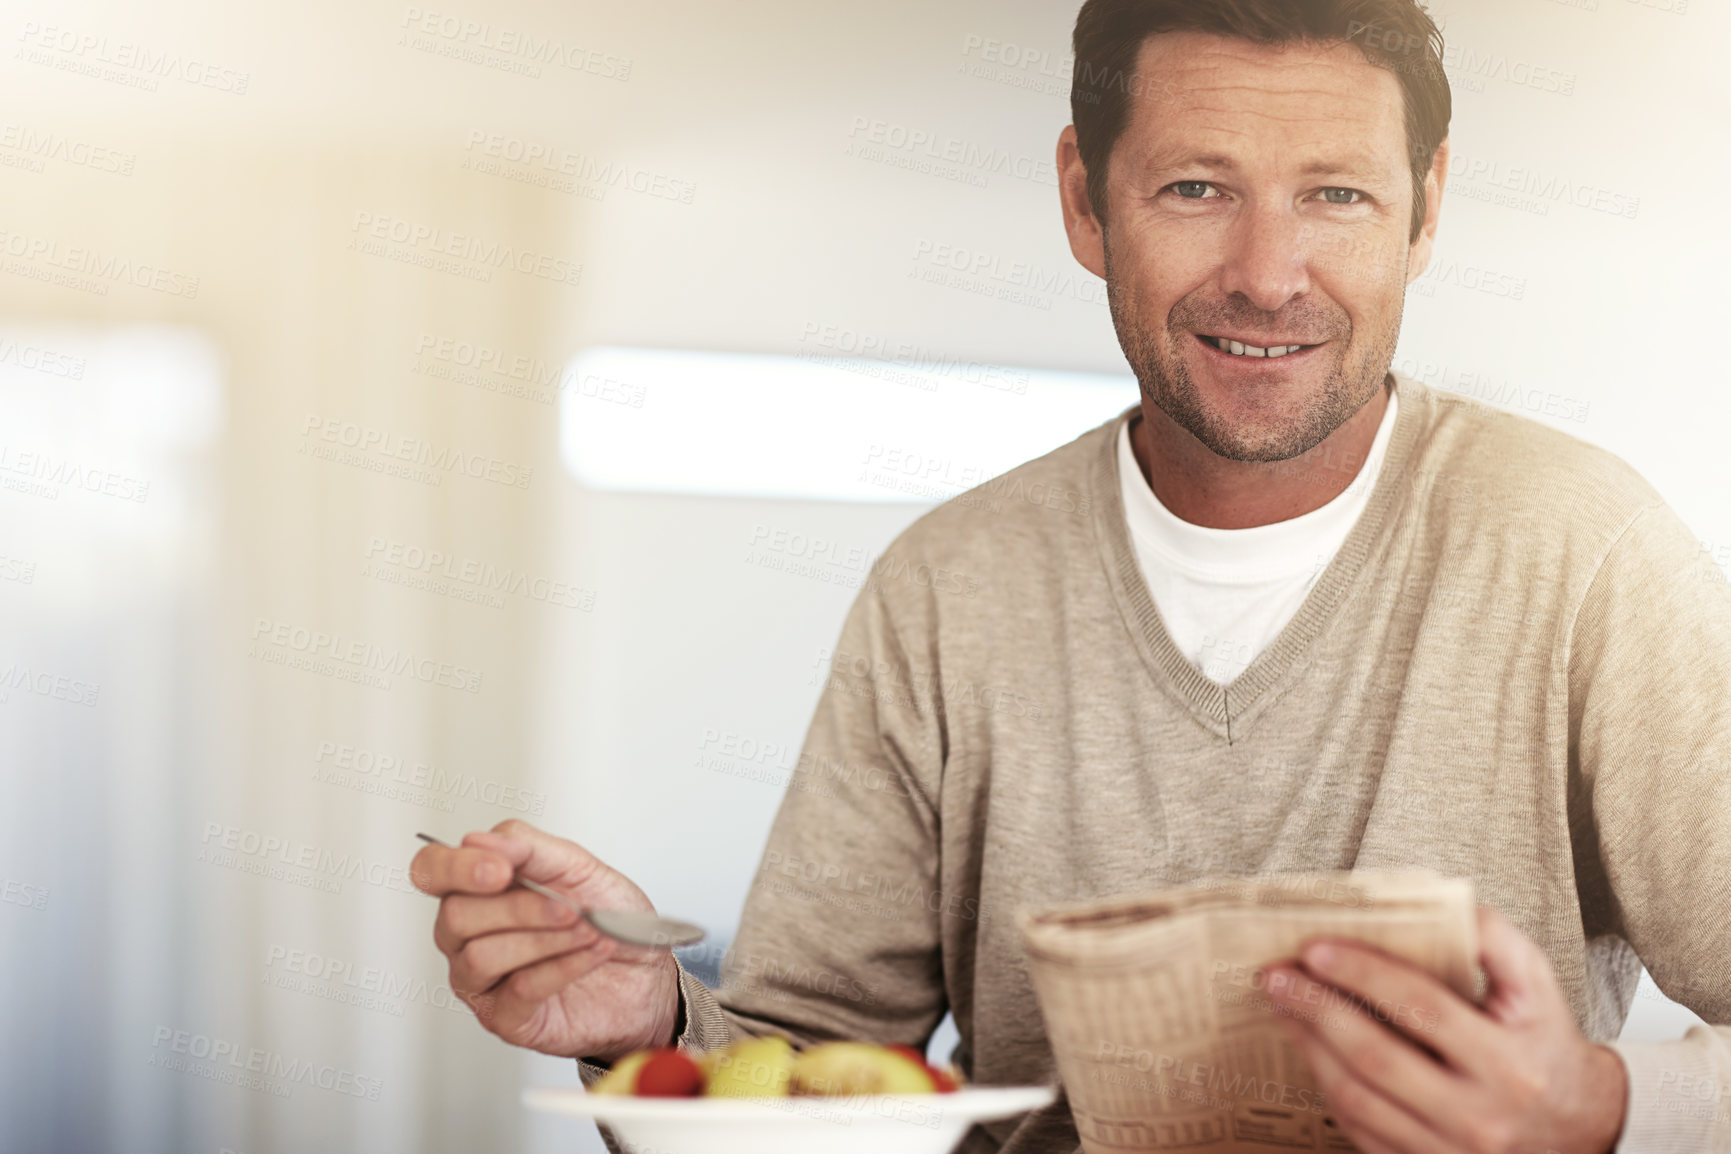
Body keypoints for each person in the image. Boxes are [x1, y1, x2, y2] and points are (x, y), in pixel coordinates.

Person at [411, 1, 1731, 1150]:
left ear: (1427, 208)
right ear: (1084, 201)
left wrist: (1601, 1105)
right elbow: (808, 1073)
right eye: (1196, 189)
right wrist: (656, 1017)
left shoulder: (1585, 552)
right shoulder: (944, 592)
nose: (1270, 277)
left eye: (1337, 194)